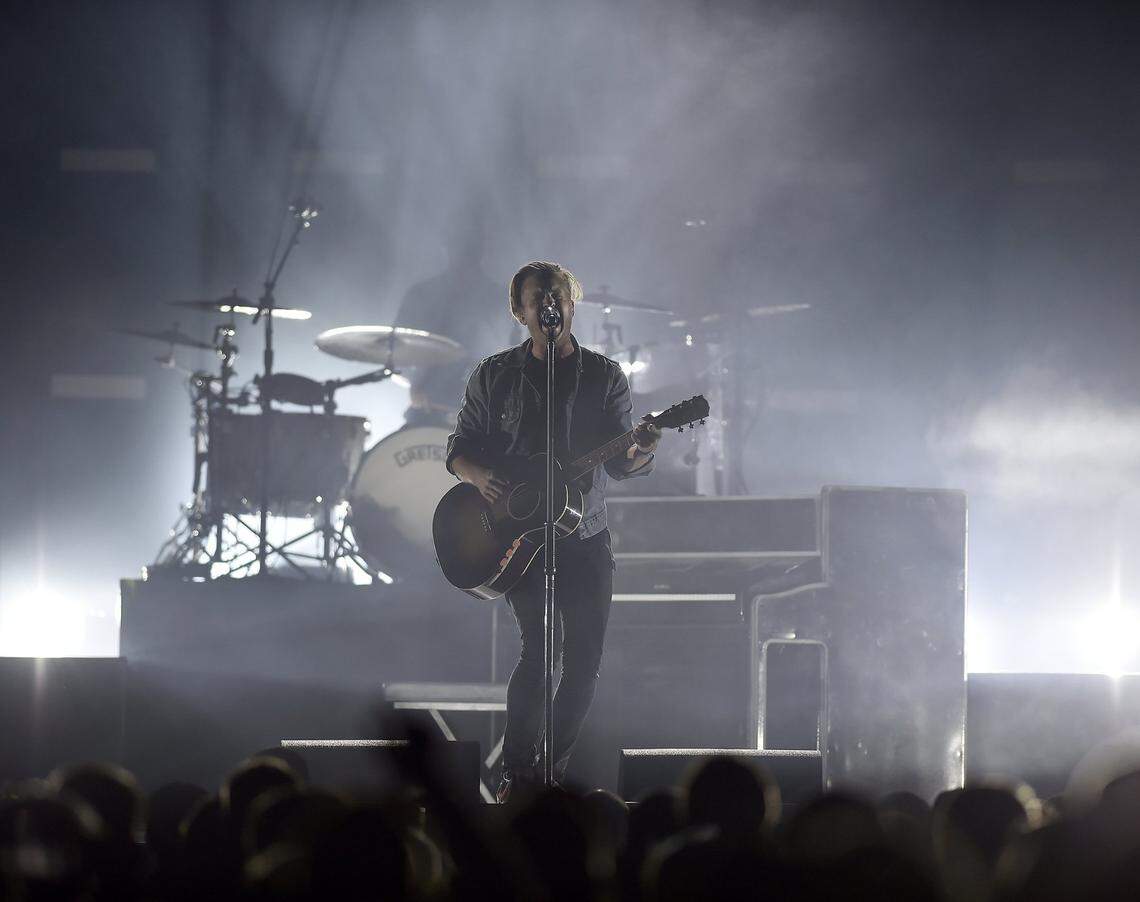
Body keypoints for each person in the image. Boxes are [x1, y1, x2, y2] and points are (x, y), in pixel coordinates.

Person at [445, 260, 662, 800]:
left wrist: (640, 451)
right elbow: (459, 449)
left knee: (584, 662)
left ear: (572, 305)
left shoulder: (604, 375)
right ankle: (518, 773)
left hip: (584, 535)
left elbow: (619, 463)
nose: (551, 305)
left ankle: (550, 772)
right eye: (539, 297)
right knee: (542, 650)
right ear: (520, 312)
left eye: (559, 296)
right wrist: (482, 478)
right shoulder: (493, 375)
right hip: (518, 538)